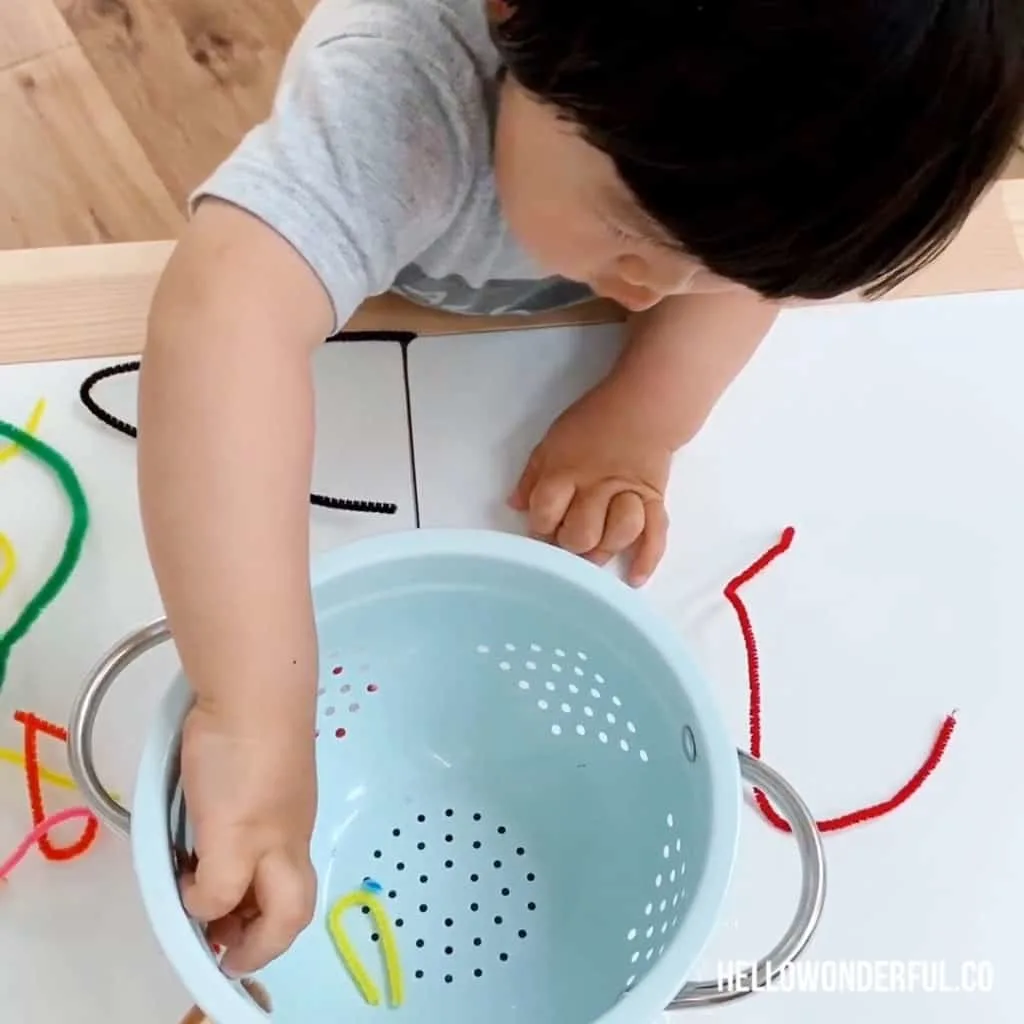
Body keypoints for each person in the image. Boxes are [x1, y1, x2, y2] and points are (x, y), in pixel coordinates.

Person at [137, 0, 1024, 977]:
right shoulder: (397, 92)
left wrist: (644, 416)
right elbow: (228, 313)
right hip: (376, 290)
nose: (645, 292)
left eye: (715, 263)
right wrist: (252, 715)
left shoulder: (779, 149)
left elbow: (744, 271)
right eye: (630, 229)